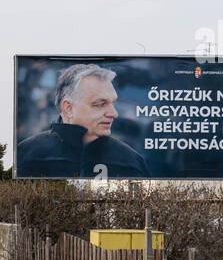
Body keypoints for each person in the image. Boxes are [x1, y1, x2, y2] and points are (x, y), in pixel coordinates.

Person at [15, 64, 148, 178]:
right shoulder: (28, 155)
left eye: (113, 103)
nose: (114, 113)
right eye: (100, 104)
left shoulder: (132, 162)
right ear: (68, 108)